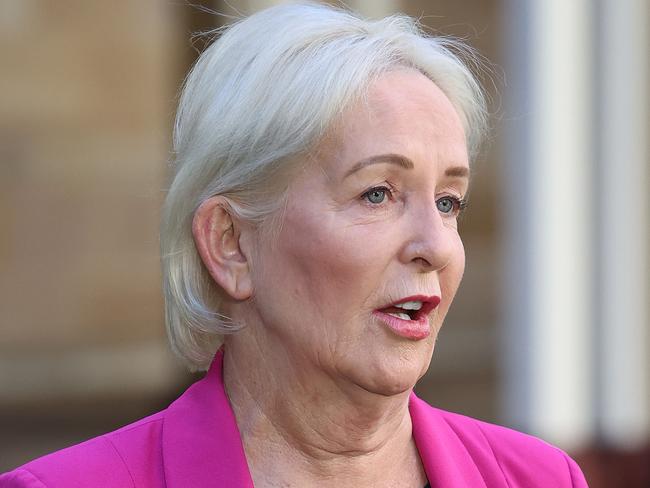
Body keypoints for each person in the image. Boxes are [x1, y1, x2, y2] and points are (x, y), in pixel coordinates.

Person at [0, 2, 589, 487]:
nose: (434, 245)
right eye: (378, 194)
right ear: (231, 244)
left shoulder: (540, 477)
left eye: (448, 201)